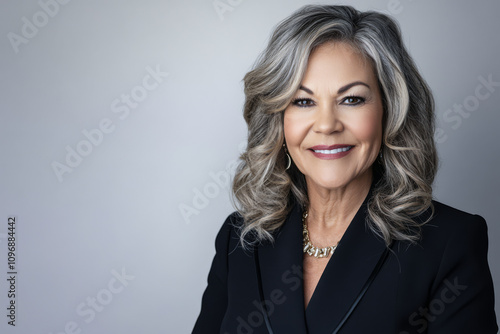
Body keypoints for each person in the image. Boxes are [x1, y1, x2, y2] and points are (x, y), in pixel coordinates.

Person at [193, 5, 498, 334]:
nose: (326, 125)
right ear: (278, 119)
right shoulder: (240, 239)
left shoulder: (449, 243)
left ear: (389, 111)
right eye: (303, 101)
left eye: (352, 99)